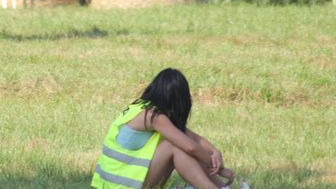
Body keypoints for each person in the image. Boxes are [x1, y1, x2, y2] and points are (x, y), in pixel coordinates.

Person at [92, 68, 235, 189]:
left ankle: (221, 187)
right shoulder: (154, 116)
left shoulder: (140, 107)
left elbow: (193, 137)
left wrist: (214, 151)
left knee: (181, 144)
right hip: (122, 185)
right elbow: (190, 147)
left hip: (115, 182)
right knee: (175, 146)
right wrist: (220, 169)